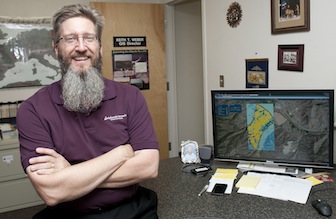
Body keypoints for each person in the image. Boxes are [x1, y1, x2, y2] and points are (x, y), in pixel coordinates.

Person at [16, 4, 159, 219]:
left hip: (133, 210)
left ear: (100, 46)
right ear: (56, 48)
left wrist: (69, 175)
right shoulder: (32, 110)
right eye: (71, 38)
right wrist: (121, 153)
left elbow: (148, 167)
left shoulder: (131, 96)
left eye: (89, 38)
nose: (81, 47)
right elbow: (52, 191)